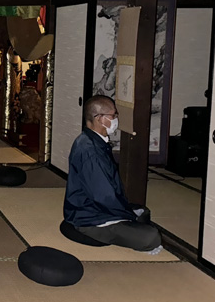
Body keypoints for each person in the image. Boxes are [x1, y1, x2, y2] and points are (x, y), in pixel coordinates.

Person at [63, 95, 162, 253]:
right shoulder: (90, 150)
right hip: (90, 216)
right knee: (151, 237)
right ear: (100, 119)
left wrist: (127, 211)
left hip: (97, 207)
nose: (116, 118)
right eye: (113, 115)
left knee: (143, 211)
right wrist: (127, 215)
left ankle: (129, 223)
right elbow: (103, 196)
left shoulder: (92, 140)